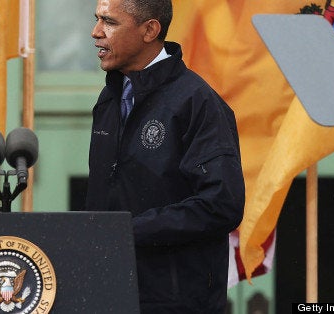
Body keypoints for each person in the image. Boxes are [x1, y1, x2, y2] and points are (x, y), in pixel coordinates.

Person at [86, 0, 245, 312]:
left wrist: (126, 232)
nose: (96, 32)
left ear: (150, 30)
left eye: (110, 22)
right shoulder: (110, 98)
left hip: (177, 300)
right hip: (108, 292)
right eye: (97, 19)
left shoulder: (197, 102)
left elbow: (221, 204)